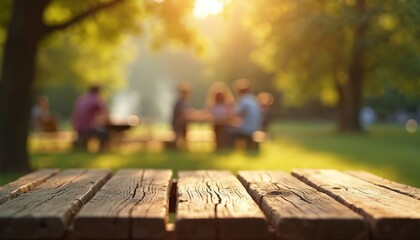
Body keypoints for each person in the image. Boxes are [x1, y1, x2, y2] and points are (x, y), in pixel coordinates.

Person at [71, 85, 109, 151]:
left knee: (96, 130)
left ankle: (82, 145)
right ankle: (101, 149)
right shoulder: (95, 99)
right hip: (88, 129)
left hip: (78, 128)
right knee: (105, 133)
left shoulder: (82, 99)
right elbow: (105, 113)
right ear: (98, 91)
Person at [231, 78, 262, 150]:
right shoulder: (253, 99)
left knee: (228, 131)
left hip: (246, 129)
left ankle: (227, 148)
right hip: (255, 127)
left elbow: (236, 114)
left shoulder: (243, 100)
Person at [205, 82, 235, 150]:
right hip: (217, 124)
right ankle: (219, 145)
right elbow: (208, 113)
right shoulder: (212, 105)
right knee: (218, 129)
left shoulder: (228, 105)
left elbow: (231, 115)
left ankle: (223, 145)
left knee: (222, 130)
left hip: (226, 125)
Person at [171, 82, 192, 150]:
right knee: (182, 130)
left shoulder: (184, 102)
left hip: (182, 123)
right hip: (178, 123)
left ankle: (183, 147)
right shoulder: (179, 102)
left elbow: (186, 112)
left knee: (184, 129)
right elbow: (181, 114)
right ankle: (179, 147)